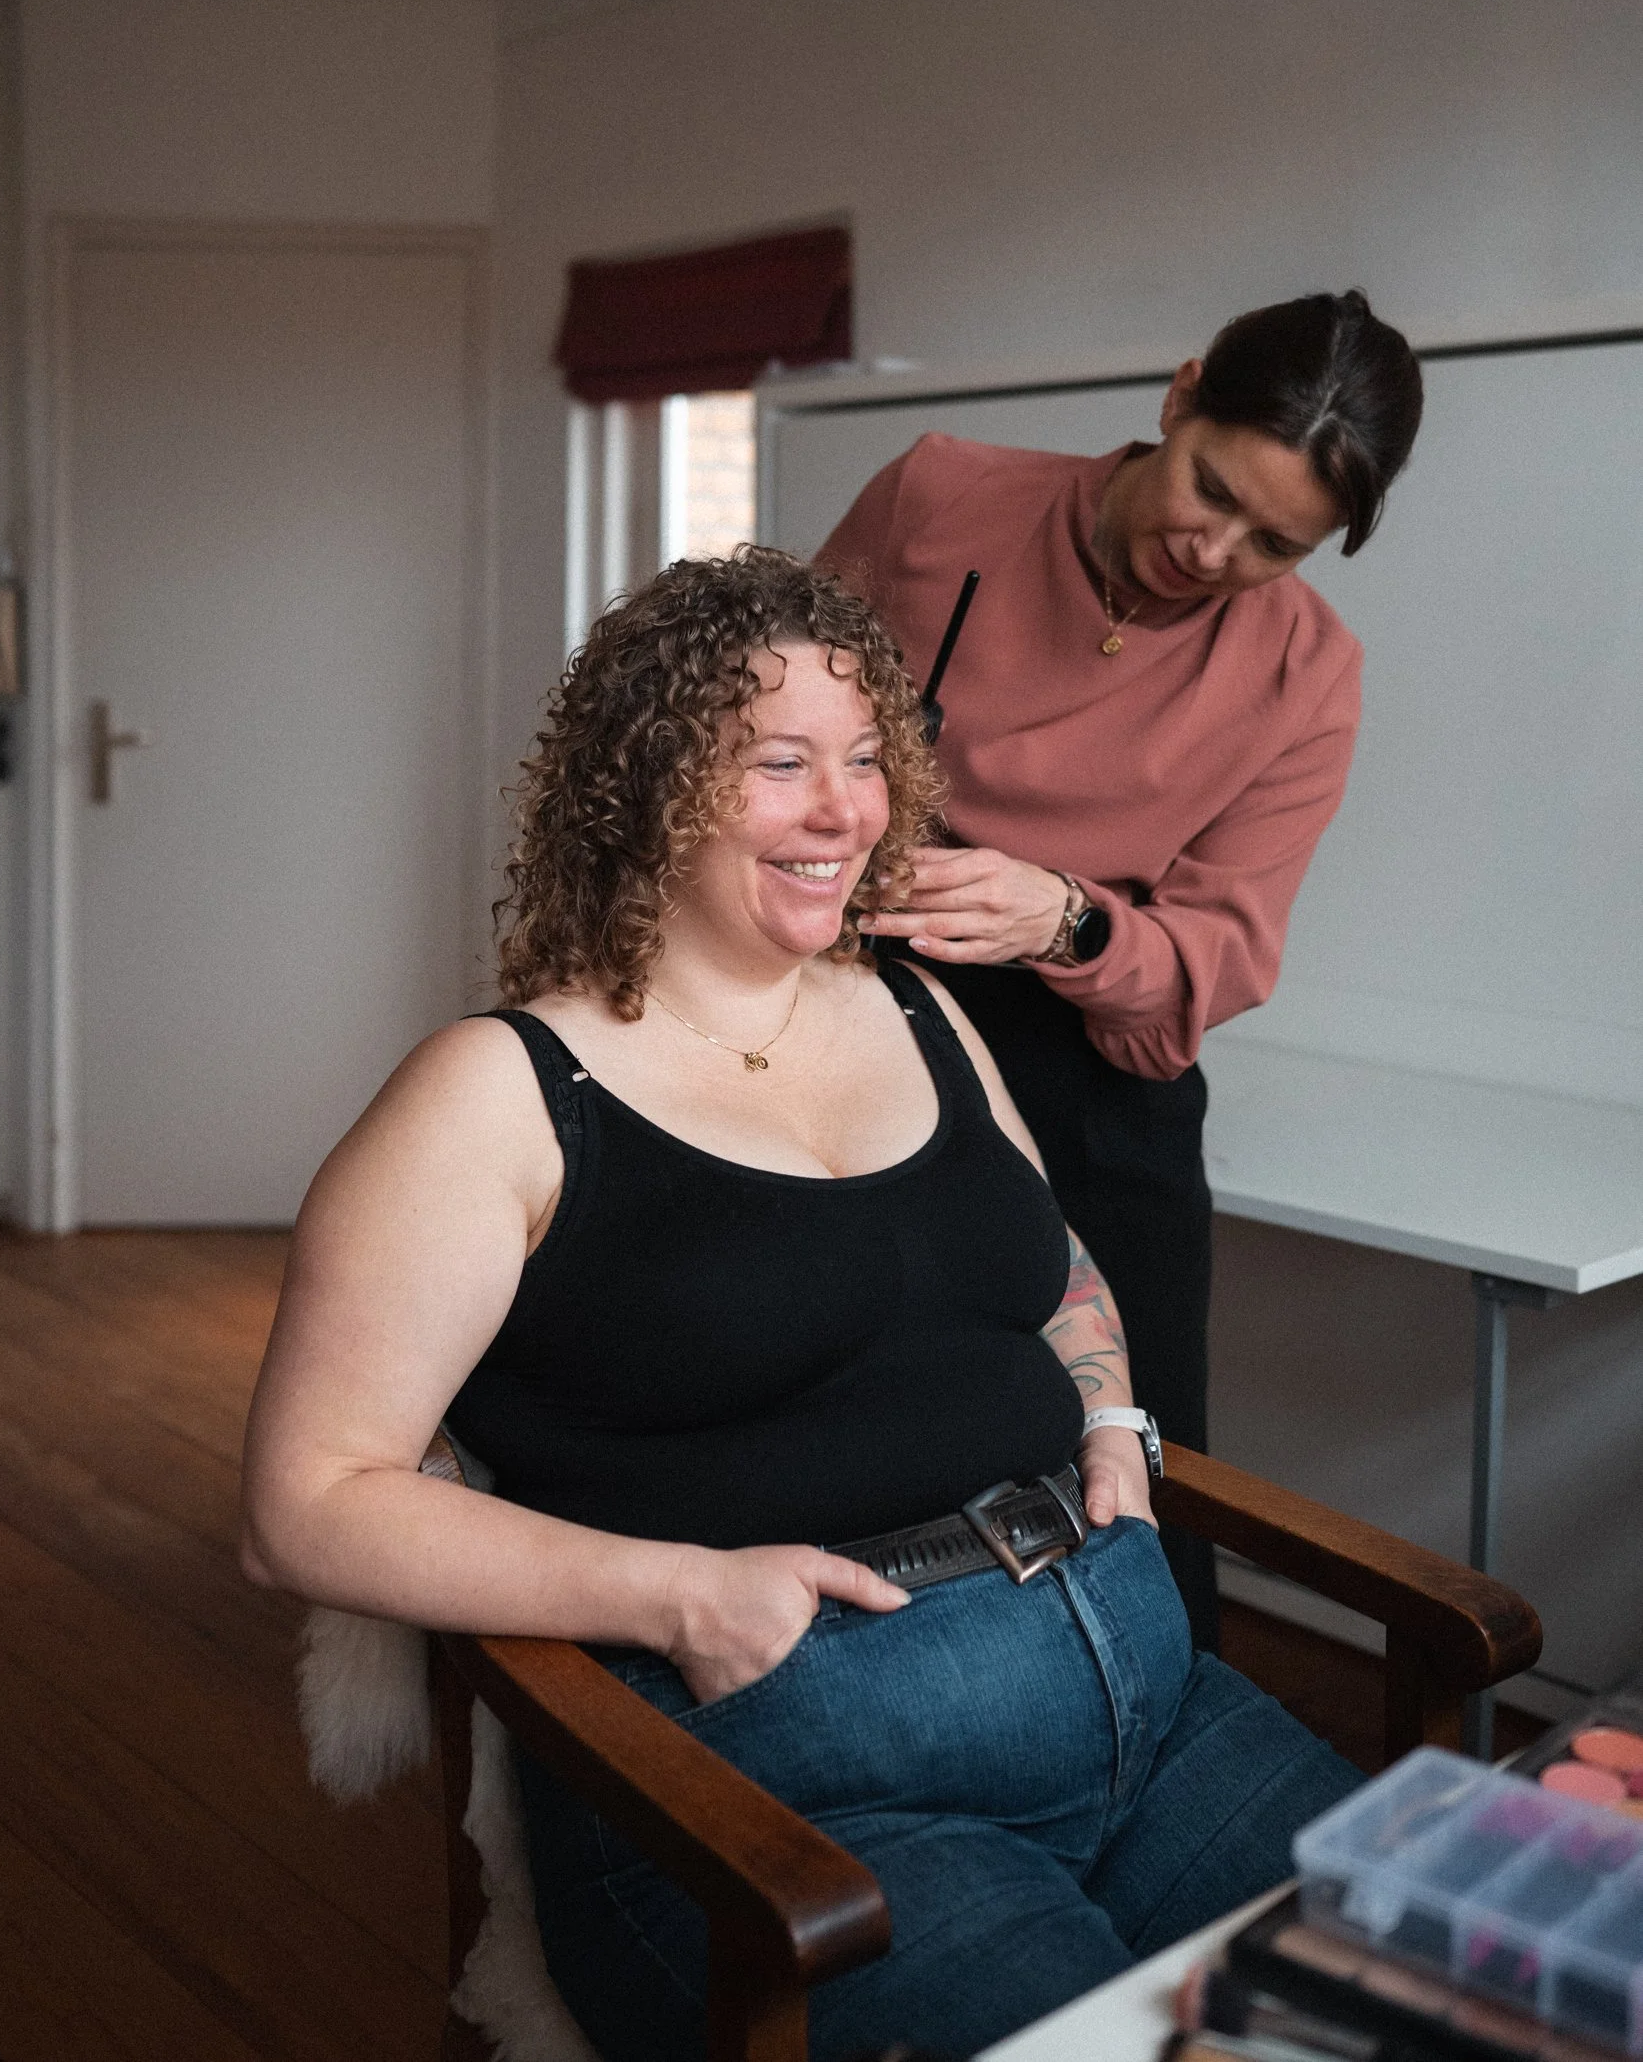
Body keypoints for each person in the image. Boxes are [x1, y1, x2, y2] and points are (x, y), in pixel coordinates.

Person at [241, 548, 1358, 2062]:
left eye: (863, 760)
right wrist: (676, 1596)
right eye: (780, 765)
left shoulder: (916, 1005)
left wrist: (1106, 1407)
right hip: (803, 1780)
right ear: (647, 790)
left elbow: (1049, 1259)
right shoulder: (495, 1096)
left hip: (1154, 1707)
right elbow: (305, 1502)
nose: (845, 813)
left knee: (1464, 1997)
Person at [818, 289, 1424, 1651]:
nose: (1208, 550)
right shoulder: (939, 498)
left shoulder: (1307, 672)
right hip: (850, 1009)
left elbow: (1215, 957)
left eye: (1275, 541)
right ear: (1177, 395)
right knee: (858, 1418)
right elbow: (765, 723)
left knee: (1141, 1451)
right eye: (1210, 489)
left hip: (1090, 1052)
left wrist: (1064, 919)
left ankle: (1153, 1714)